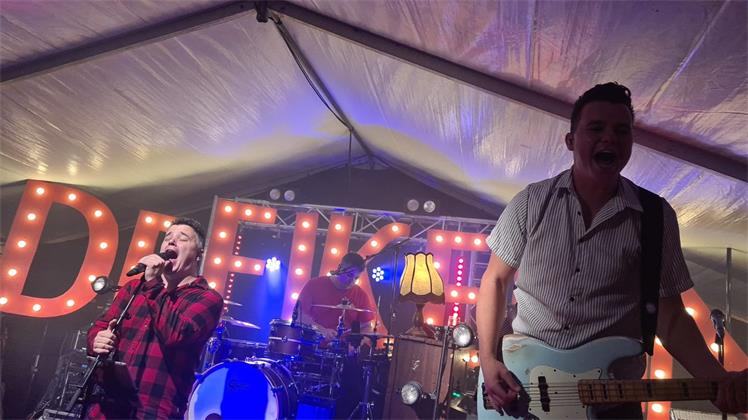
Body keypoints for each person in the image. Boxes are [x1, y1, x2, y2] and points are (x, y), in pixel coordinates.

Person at [477, 82, 747, 418]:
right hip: (525, 388)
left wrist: (718, 380)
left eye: (621, 131)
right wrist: (488, 359)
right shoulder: (531, 202)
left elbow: (671, 317)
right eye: (596, 128)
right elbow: (495, 281)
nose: (609, 138)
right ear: (570, 140)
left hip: (612, 403)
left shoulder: (655, 216)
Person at [86, 217, 223, 419]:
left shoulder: (207, 298)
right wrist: (97, 339)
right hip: (107, 405)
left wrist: (153, 285)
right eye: (168, 237)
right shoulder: (134, 288)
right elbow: (101, 325)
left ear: (198, 254)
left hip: (154, 409)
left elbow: (178, 335)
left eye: (183, 238)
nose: (172, 241)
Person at [297, 252, 376, 341]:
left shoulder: (361, 295)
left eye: (356, 278)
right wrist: (321, 330)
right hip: (312, 343)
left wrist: (357, 344)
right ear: (340, 268)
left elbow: (367, 326)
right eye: (349, 275)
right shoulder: (314, 284)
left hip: (343, 347)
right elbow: (299, 316)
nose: (352, 281)